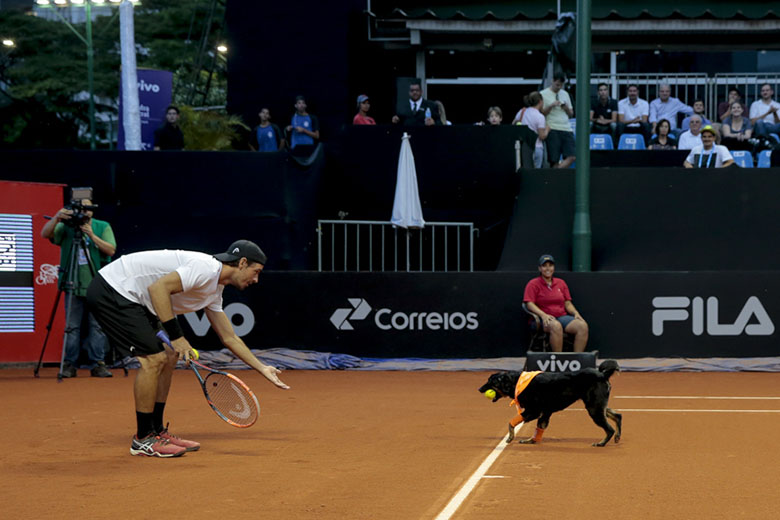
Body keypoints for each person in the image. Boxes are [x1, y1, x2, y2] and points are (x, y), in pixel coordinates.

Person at [86, 240, 290, 458]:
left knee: (170, 354)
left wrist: (262, 368)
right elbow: (158, 288)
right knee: (154, 359)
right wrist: (178, 337)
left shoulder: (214, 291)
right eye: (255, 271)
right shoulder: (205, 268)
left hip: (138, 299)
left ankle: (156, 431)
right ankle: (143, 439)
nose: (256, 279)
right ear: (241, 263)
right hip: (114, 288)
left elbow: (229, 337)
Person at [41, 195, 116, 378]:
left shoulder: (101, 226)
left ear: (92, 211)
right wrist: (57, 217)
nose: (84, 212)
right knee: (72, 326)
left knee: (97, 326)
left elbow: (111, 249)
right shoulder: (66, 226)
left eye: (87, 209)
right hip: (72, 283)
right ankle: (69, 364)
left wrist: (91, 235)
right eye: (80, 209)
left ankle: (98, 363)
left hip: (96, 284)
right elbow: (45, 234)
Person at [523, 254, 588, 353]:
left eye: (550, 265)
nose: (548, 268)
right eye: (544, 266)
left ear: (554, 268)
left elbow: (568, 303)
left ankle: (577, 359)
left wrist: (576, 313)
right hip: (542, 319)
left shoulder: (561, 283)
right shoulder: (533, 284)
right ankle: (558, 359)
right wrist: (543, 315)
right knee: (556, 326)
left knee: (582, 326)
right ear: (540, 268)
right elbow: (529, 304)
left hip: (561, 317)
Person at [541, 74, 575, 169]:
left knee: (572, 156)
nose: (558, 87)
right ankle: (555, 178)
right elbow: (542, 113)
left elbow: (571, 114)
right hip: (552, 128)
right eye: (557, 85)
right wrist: (551, 105)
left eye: (560, 85)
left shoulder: (565, 94)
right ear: (552, 81)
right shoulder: (543, 94)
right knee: (554, 160)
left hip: (566, 128)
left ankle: (555, 173)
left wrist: (566, 108)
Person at [513, 91, 549, 168]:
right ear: (540, 102)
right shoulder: (540, 116)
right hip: (537, 147)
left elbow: (514, 124)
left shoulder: (522, 111)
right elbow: (542, 136)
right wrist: (547, 129)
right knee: (536, 171)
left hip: (524, 147)